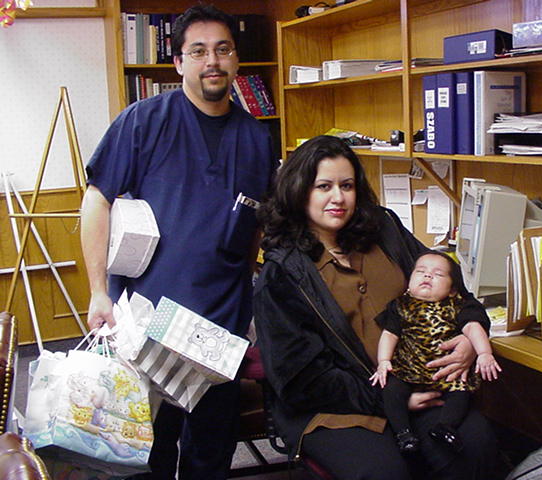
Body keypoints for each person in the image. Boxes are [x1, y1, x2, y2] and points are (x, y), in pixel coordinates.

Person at [80, 4, 277, 479]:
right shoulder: (143, 121)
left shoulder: (257, 138)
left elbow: (256, 224)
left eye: (223, 50)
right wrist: (97, 291)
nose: (212, 61)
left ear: (236, 59)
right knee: (148, 448)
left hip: (220, 326)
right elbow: (97, 200)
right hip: (147, 319)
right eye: (199, 51)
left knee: (210, 450)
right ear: (178, 62)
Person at [254, 135, 498, 480]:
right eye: (323, 186)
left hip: (417, 383)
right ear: (299, 191)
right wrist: (389, 400)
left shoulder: (384, 229)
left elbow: (454, 287)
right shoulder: (282, 274)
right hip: (336, 408)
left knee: (474, 447)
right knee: (386, 472)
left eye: (347, 185)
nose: (338, 198)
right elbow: (301, 382)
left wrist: (473, 337)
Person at [371, 251, 501, 455]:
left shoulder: (457, 306)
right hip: (408, 369)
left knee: (461, 391)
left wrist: (484, 352)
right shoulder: (400, 306)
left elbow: (473, 327)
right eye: (420, 271)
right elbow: (389, 334)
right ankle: (404, 434)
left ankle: (445, 426)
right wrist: (383, 361)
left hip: (448, 371)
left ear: (452, 289)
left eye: (438, 274)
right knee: (391, 390)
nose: (428, 275)